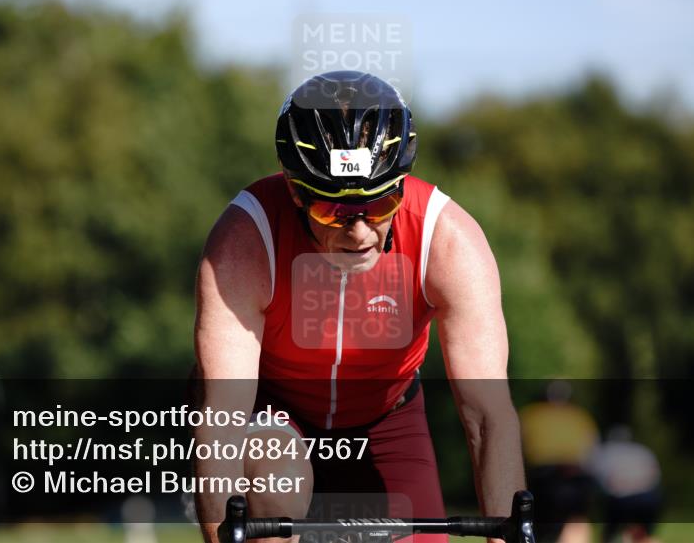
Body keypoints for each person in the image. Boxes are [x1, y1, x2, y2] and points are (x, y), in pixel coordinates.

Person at [193, 71, 524, 543]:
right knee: (274, 480)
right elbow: (221, 418)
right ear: (295, 191)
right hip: (276, 412)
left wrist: (507, 533)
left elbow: (488, 415)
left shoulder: (448, 241)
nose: (360, 233)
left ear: (401, 186)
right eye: (334, 212)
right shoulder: (246, 241)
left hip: (387, 420)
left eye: (380, 204)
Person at [518, 380, 600, 543]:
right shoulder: (580, 415)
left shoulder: (530, 414)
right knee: (576, 519)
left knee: (539, 521)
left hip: (545, 476)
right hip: (576, 473)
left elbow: (517, 447)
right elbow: (593, 448)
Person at [587, 426, 662, 543]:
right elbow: (655, 477)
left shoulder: (604, 451)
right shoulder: (642, 450)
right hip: (649, 498)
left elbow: (597, 477)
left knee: (610, 534)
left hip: (620, 500)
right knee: (643, 534)